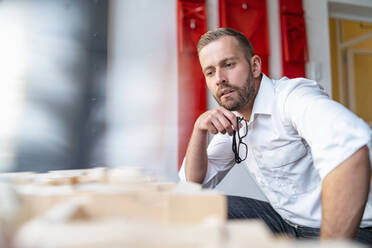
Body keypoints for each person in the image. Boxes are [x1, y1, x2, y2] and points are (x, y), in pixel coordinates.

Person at [178, 28, 372, 244]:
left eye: (229, 65)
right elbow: (194, 185)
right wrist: (199, 129)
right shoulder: (236, 120)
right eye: (210, 72)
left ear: (254, 66)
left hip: (354, 229)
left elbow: (351, 149)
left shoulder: (292, 98)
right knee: (196, 208)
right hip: (287, 223)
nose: (219, 79)